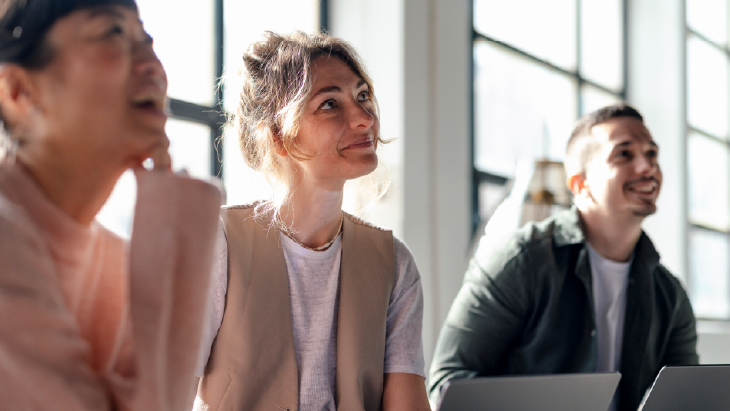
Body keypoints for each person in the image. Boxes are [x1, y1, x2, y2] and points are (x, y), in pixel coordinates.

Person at [0, 1, 221, 410]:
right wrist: (177, 220)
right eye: (113, 34)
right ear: (19, 90)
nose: (153, 64)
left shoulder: (116, 263)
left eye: (148, 40)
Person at [194, 31, 430, 411]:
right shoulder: (217, 244)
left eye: (362, 96)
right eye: (329, 104)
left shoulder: (395, 264)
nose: (363, 119)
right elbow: (163, 393)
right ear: (277, 137)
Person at [428, 103, 698, 411]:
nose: (647, 167)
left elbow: (689, 400)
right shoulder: (519, 261)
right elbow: (447, 383)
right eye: (624, 154)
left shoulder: (670, 294)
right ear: (581, 185)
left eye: (651, 154)